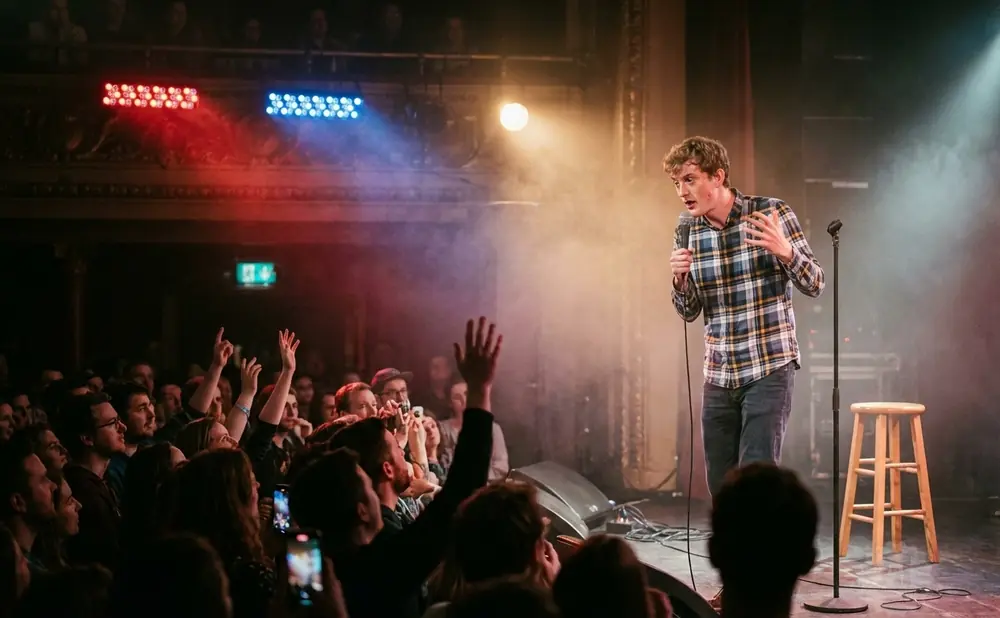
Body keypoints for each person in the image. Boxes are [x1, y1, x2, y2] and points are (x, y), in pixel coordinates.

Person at [665, 136, 824, 497]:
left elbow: (815, 283)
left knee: (756, 481)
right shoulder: (687, 230)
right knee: (720, 485)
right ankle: (733, 554)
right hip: (719, 375)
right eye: (676, 183)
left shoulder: (770, 214)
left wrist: (786, 253)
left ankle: (762, 554)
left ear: (717, 176)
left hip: (767, 368)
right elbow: (688, 311)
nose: (681, 191)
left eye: (689, 179)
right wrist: (679, 280)